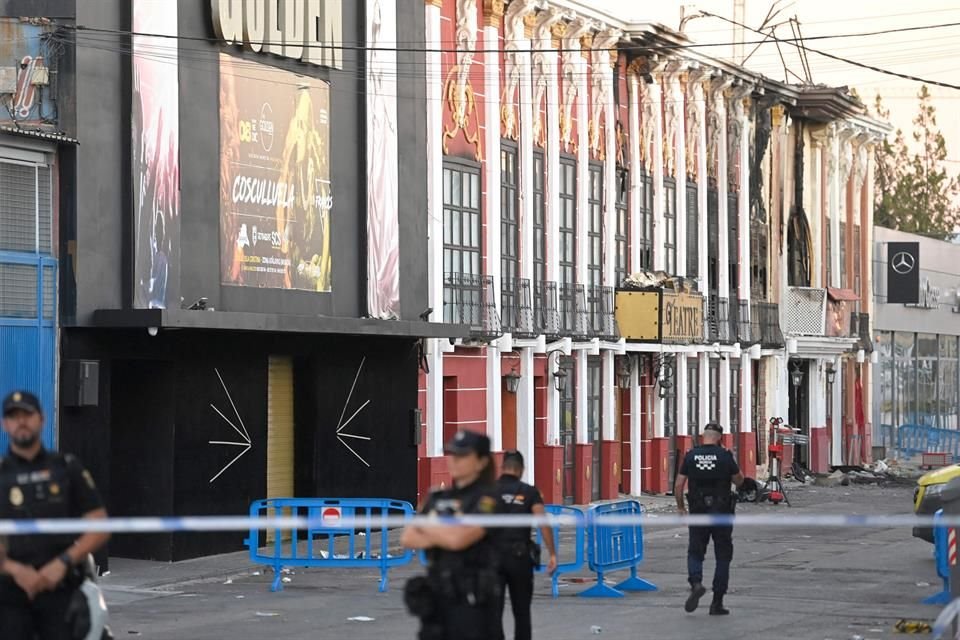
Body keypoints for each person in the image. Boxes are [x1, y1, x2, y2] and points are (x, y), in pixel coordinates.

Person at [0, 390, 111, 639]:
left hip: (61, 592)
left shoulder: (66, 467)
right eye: (13, 416)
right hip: (10, 595)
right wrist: (16, 570)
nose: (21, 422)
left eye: (27, 414)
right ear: (5, 424)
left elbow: (99, 525)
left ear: (42, 419)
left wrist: (62, 563)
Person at [401, 431, 502, 640]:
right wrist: (446, 530)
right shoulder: (438, 496)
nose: (454, 461)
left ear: (481, 462)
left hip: (472, 599)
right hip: (437, 596)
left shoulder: (488, 500)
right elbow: (408, 537)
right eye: (452, 454)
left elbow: (458, 541)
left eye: (463, 456)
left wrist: (429, 525)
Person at [674, 422, 744, 616]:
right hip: (721, 512)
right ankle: (717, 602)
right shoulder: (725, 455)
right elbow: (740, 480)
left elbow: (679, 485)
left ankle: (696, 583)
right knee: (723, 556)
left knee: (695, 551)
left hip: (698, 510)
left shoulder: (690, 455)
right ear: (719, 437)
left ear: (703, 436)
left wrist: (681, 507)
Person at [494, 450, 557, 640]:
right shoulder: (529, 492)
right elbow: (542, 523)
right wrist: (553, 554)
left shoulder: (489, 491)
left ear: (502, 467)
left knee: (493, 614)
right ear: (521, 470)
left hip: (493, 559)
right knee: (521, 612)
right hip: (520, 559)